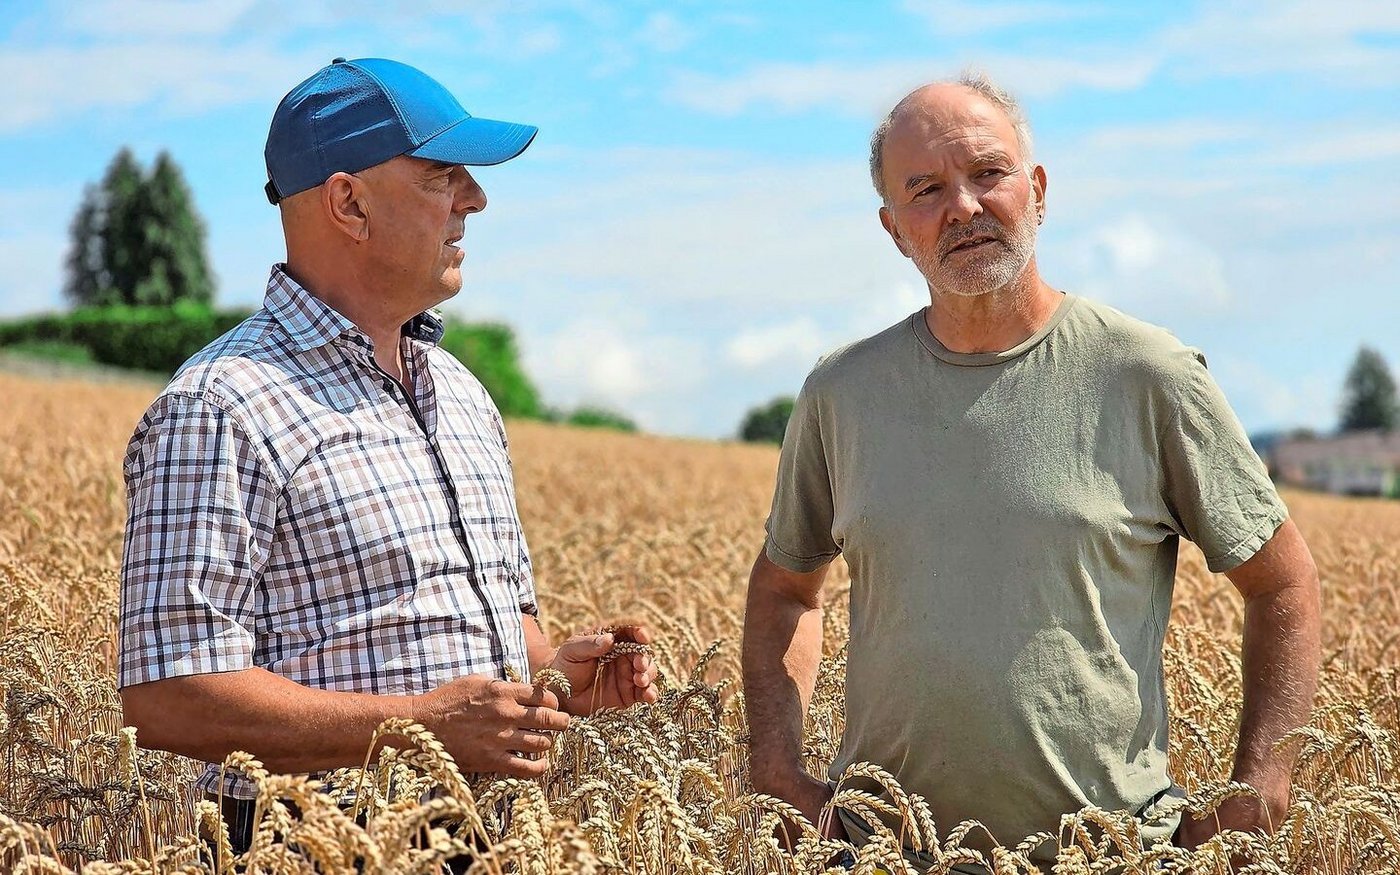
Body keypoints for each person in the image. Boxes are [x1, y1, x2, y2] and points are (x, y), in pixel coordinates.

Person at [741, 73, 1321, 872]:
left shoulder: (1147, 373)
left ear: (1037, 189)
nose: (965, 207)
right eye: (927, 189)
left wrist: (1262, 785)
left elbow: (1282, 581)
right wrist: (776, 769)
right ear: (893, 229)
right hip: (883, 856)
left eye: (989, 173)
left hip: (1107, 856)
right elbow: (784, 590)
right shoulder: (842, 392)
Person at [117, 57, 658, 855]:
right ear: (349, 202)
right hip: (309, 850)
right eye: (443, 175)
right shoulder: (221, 406)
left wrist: (554, 677)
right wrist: (418, 730)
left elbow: (504, 620)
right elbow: (167, 694)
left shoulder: (463, 394)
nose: (475, 199)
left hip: (496, 840)